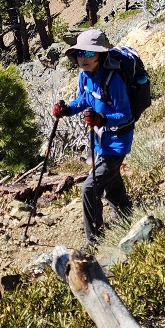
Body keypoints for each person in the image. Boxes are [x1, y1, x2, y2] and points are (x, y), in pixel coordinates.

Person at [52, 28, 134, 245]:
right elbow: (83, 100)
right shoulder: (85, 76)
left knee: (90, 188)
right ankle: (126, 214)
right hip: (100, 141)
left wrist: (102, 119)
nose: (83, 58)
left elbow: (126, 115)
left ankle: (94, 240)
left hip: (116, 143)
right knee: (111, 181)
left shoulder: (114, 81)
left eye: (89, 53)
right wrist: (67, 109)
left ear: (100, 55)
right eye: (80, 53)